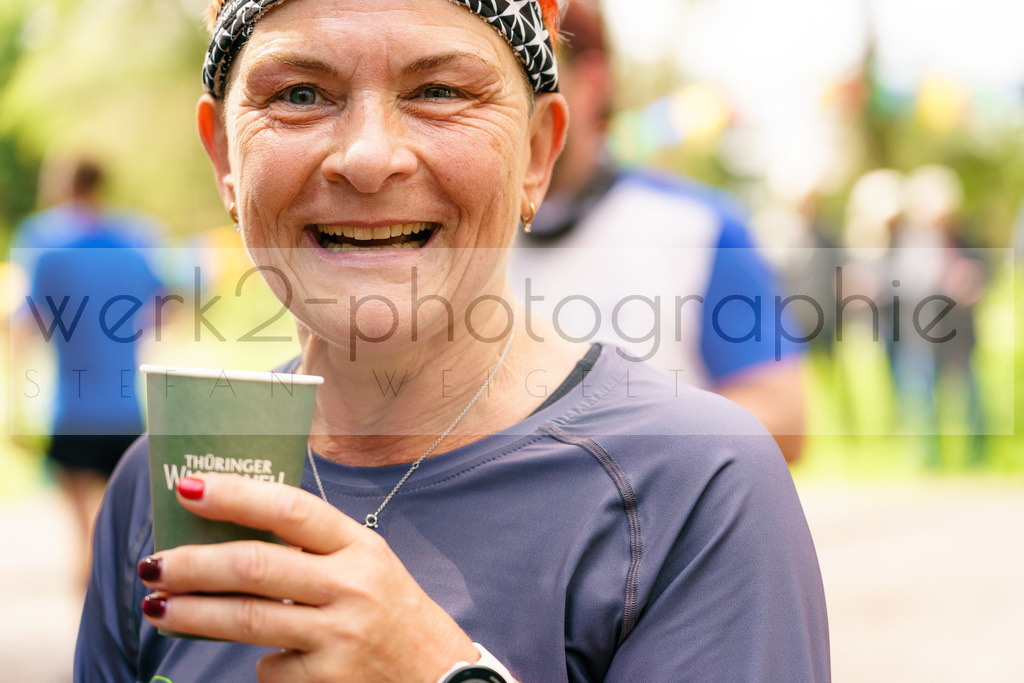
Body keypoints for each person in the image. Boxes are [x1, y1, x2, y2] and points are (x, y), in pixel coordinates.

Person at [75, 1, 829, 681]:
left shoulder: (697, 485)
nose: (368, 158)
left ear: (537, 153)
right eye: (300, 94)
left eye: (439, 91)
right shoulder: (164, 485)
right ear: (224, 159)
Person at [511, 2, 806, 462]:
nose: (516, 99)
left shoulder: (700, 226)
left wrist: (607, 451)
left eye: (536, 70)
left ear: (593, 80)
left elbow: (785, 418)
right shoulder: (442, 232)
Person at [10, 157, 165, 588]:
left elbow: (27, 324)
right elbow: (162, 312)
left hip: (71, 410)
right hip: (125, 410)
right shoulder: (138, 238)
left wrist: (16, 402)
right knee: (119, 539)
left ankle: (90, 643)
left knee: (85, 540)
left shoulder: (42, 240)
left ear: (61, 184)